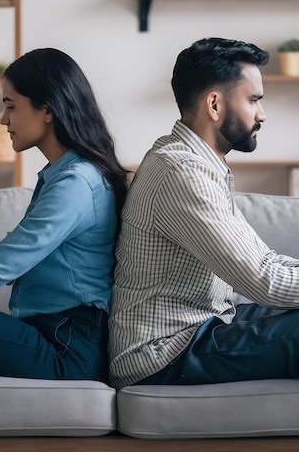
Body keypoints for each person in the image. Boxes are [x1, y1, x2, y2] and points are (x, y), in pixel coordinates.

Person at [109, 36, 299, 390]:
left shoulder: (196, 163)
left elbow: (265, 262)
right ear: (215, 104)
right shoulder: (181, 173)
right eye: (254, 100)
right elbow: (266, 282)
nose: (262, 114)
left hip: (204, 327)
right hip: (164, 352)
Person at [0, 48, 127, 381]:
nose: (4, 120)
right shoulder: (64, 174)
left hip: (67, 350)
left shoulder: (75, 183)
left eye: (11, 106)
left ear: (47, 110)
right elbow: (4, 263)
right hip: (57, 335)